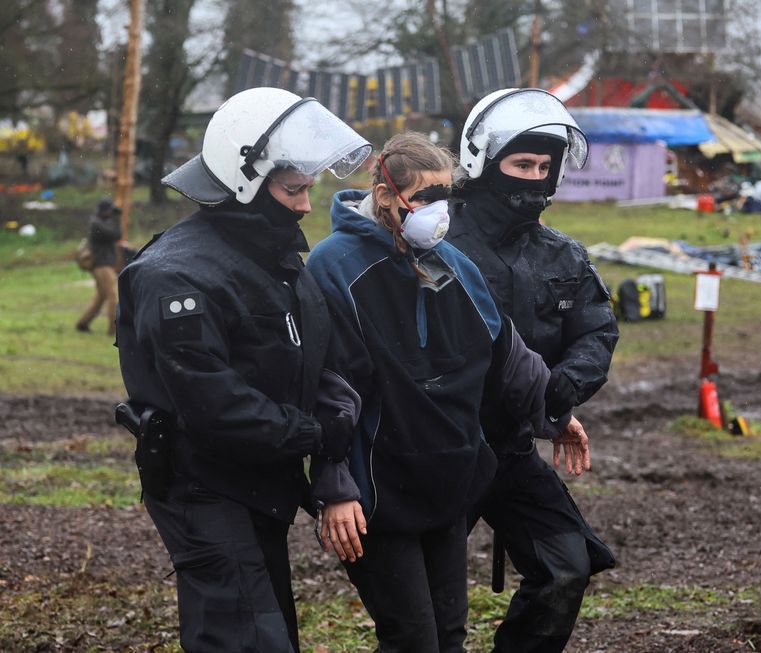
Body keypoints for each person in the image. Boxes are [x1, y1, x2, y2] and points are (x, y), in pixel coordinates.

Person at [115, 86, 372, 653]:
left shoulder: (277, 262)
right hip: (201, 484)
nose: (306, 205)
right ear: (243, 183)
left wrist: (331, 435)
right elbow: (212, 401)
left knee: (271, 625)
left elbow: (323, 360)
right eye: (293, 189)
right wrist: (312, 434)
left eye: (308, 188)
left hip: (262, 479)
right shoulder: (174, 275)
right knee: (246, 638)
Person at [306, 132, 560, 653]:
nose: (439, 211)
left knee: (448, 638)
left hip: (448, 482)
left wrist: (555, 413)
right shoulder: (334, 266)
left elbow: (504, 352)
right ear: (386, 197)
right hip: (376, 491)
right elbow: (325, 386)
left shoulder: (449, 261)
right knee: (413, 641)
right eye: (426, 198)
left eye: (447, 195)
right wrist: (334, 483)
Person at [448, 87, 619, 653]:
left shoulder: (563, 255)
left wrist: (564, 389)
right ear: (483, 163)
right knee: (430, 608)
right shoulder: (433, 243)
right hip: (438, 450)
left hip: (513, 448)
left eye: (544, 167)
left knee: (566, 565)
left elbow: (597, 329)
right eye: (521, 164)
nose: (534, 178)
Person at [76, 197, 121, 335]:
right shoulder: (97, 224)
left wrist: (114, 218)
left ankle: (83, 324)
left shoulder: (102, 221)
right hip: (101, 265)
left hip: (103, 264)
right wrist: (117, 218)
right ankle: (114, 329)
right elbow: (114, 234)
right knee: (114, 295)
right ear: (105, 211)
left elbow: (117, 234)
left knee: (101, 296)